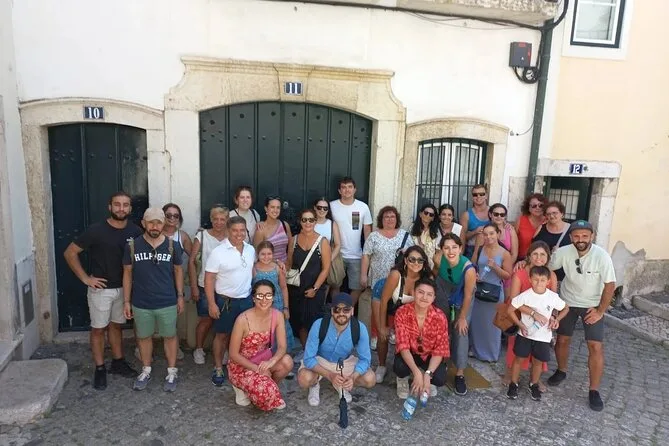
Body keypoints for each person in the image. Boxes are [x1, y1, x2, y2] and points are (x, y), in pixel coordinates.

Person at [63, 191, 141, 390]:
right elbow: (70, 253)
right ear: (110, 207)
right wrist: (85, 278)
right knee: (98, 329)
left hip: (124, 288)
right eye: (117, 204)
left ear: (130, 208)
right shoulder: (96, 230)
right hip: (101, 289)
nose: (121, 209)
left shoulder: (135, 231)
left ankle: (118, 362)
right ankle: (99, 368)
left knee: (116, 326)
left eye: (125, 205)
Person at [546, 220, 616, 412]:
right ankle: (561, 370)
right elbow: (546, 267)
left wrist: (600, 310)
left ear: (592, 236)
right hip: (567, 302)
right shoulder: (563, 252)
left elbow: (610, 285)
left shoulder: (602, 256)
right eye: (576, 236)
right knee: (562, 340)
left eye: (585, 236)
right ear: (570, 237)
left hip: (592, 305)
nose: (580, 239)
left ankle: (594, 390)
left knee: (595, 346)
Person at [122, 208, 185, 392]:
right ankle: (146, 369)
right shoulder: (132, 246)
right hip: (141, 302)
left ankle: (172, 371)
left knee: (170, 336)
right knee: (143, 337)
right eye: (151, 222)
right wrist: (126, 301)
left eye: (158, 222)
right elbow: (127, 273)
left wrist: (180, 296)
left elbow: (178, 271)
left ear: (163, 223)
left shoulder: (173, 246)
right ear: (143, 223)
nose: (155, 226)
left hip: (167, 300)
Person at [297, 293, 375, 406]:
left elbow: (365, 360)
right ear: (332, 311)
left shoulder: (359, 328)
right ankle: (314, 384)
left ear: (352, 311)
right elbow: (309, 358)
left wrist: (353, 377)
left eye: (346, 310)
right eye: (337, 310)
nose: (341, 313)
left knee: (370, 379)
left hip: (343, 362)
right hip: (320, 360)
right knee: (304, 379)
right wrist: (330, 375)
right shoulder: (319, 324)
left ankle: (342, 383)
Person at [227, 280, 294, 410]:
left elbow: (282, 347)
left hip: (262, 361)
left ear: (273, 297)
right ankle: (242, 388)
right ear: (253, 298)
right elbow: (233, 354)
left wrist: (271, 361)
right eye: (260, 295)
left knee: (287, 362)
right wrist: (257, 369)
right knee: (266, 395)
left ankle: (269, 386)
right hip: (242, 366)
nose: (264, 300)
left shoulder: (277, 315)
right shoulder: (242, 320)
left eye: (268, 295)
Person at [204, 216, 255, 387]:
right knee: (222, 335)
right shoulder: (218, 252)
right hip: (225, 302)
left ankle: (240, 368)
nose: (239, 234)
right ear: (228, 231)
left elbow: (253, 272)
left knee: (245, 338)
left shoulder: (250, 250)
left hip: (246, 301)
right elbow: (209, 279)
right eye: (235, 230)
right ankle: (218, 367)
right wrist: (212, 303)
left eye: (242, 230)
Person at [507, 266, 569, 401]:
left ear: (548, 281)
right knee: (518, 359)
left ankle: (534, 384)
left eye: (542, 280)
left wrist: (557, 319)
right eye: (535, 280)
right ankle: (513, 383)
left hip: (543, 337)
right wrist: (520, 325)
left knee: (538, 362)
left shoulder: (552, 297)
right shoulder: (525, 295)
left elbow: (565, 308)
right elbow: (510, 310)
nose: (539, 283)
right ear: (530, 279)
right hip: (525, 334)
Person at [503, 241, 559, 391]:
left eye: (542, 254)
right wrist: (533, 313)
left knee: (539, 351)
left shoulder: (551, 276)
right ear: (529, 256)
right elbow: (514, 300)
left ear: (548, 257)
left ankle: (535, 380)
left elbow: (554, 301)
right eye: (535, 254)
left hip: (541, 322)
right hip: (520, 316)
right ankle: (510, 373)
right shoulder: (520, 273)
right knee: (515, 347)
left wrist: (554, 317)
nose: (538, 258)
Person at [376, 246, 431, 384]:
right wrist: (382, 326)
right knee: (383, 334)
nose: (416, 263)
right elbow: (384, 301)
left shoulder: (426, 278)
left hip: (408, 312)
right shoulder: (396, 275)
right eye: (412, 259)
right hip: (386, 300)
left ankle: (412, 366)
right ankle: (381, 366)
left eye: (420, 260)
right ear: (405, 260)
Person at [362, 206, 412, 350]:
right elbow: (366, 255)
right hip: (378, 277)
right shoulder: (374, 236)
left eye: (392, 217)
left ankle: (391, 332)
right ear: (381, 219)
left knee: (394, 305)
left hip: (398, 278)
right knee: (377, 306)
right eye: (386, 217)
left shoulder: (405, 235)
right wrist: (363, 275)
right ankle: (375, 334)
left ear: (397, 219)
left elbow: (413, 255)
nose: (389, 219)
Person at [432, 233, 476, 395]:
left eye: (454, 247)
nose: (450, 251)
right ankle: (441, 360)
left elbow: (468, 295)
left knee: (460, 330)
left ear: (460, 248)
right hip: (443, 289)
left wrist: (462, 317)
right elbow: (435, 273)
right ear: (441, 249)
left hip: (462, 294)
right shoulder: (438, 258)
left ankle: (460, 373)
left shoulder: (468, 269)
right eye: (446, 248)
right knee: (441, 327)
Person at [393, 278, 449, 399]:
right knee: (399, 367)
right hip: (410, 353)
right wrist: (416, 372)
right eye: (420, 292)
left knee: (440, 378)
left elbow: (440, 350)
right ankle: (405, 378)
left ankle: (426, 374)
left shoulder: (440, 317)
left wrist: (428, 374)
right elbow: (403, 346)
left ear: (434, 298)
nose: (424, 297)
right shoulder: (402, 312)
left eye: (429, 294)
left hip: (429, 355)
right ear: (414, 293)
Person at [188, 205, 229, 365]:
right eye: (215, 219)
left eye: (222, 219)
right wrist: (193, 286)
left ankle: (223, 350)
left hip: (225, 287)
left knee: (225, 321)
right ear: (211, 219)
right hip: (204, 285)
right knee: (206, 319)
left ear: (227, 220)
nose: (219, 222)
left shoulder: (231, 237)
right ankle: (199, 349)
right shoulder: (202, 236)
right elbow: (191, 262)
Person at [287, 209, 331, 347]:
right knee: (299, 322)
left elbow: (326, 269)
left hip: (315, 288)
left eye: (311, 220)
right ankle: (306, 351)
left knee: (313, 321)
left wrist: (315, 288)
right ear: (300, 221)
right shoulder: (293, 240)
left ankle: (314, 351)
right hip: (296, 288)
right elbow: (289, 264)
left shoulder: (322, 242)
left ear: (315, 221)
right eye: (304, 220)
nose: (308, 223)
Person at [470, 223, 512, 362]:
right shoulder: (481, 248)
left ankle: (491, 355)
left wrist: (495, 267)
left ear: (498, 234)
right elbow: (473, 265)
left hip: (494, 292)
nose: (488, 237)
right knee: (477, 323)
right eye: (486, 234)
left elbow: (507, 275)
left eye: (492, 233)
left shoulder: (505, 253)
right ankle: (476, 350)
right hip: (479, 290)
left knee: (492, 326)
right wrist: (475, 275)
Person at [329, 177, 373, 305]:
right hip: (336, 254)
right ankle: (337, 310)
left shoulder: (363, 207)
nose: (347, 190)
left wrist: (368, 254)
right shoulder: (331, 206)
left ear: (355, 189)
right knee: (334, 284)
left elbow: (367, 231)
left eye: (349, 187)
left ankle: (347, 310)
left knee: (358, 287)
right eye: (343, 187)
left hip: (356, 254)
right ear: (339, 190)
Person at [159, 202, 191, 361]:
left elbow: (194, 258)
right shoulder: (155, 233)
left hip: (175, 283)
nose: (172, 218)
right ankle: (143, 347)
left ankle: (174, 348)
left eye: (176, 216)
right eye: (168, 215)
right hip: (156, 282)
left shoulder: (182, 236)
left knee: (173, 319)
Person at [253, 241, 295, 354]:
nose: (266, 257)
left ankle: (283, 356)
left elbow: (284, 287)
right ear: (258, 254)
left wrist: (286, 307)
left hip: (277, 304)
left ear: (273, 254)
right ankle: (265, 356)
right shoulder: (254, 268)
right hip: (261, 305)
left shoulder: (277, 268)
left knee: (280, 329)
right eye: (263, 254)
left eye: (269, 254)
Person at [532, 201, 570, 281]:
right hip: (543, 276)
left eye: (554, 213)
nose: (551, 216)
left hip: (565, 276)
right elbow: (532, 248)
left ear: (562, 214)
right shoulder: (541, 228)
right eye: (548, 214)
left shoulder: (571, 230)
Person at [254, 195, 292, 265]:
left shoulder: (285, 225)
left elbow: (290, 246)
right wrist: (277, 264)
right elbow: (258, 254)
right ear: (266, 209)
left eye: (278, 207)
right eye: (272, 207)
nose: (275, 210)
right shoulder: (260, 230)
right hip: (269, 268)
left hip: (285, 268)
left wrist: (289, 262)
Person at [460, 184, 489, 259]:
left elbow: (501, 228)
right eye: (475, 195)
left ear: (486, 196)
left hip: (490, 249)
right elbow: (462, 237)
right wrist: (475, 231)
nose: (478, 197)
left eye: (481, 194)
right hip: (471, 250)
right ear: (472, 197)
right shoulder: (466, 215)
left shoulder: (494, 212)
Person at [515, 193, 547, 261]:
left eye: (540, 205)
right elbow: (513, 242)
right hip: (522, 259)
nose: (537, 208)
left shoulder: (548, 221)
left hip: (542, 261)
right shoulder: (521, 220)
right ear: (528, 208)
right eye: (534, 206)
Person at [408, 204, 439, 269]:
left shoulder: (436, 231)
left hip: (429, 266)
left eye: (431, 215)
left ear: (433, 218)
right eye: (426, 213)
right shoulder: (412, 228)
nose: (428, 215)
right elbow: (408, 246)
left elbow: (438, 250)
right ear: (420, 214)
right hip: (414, 264)